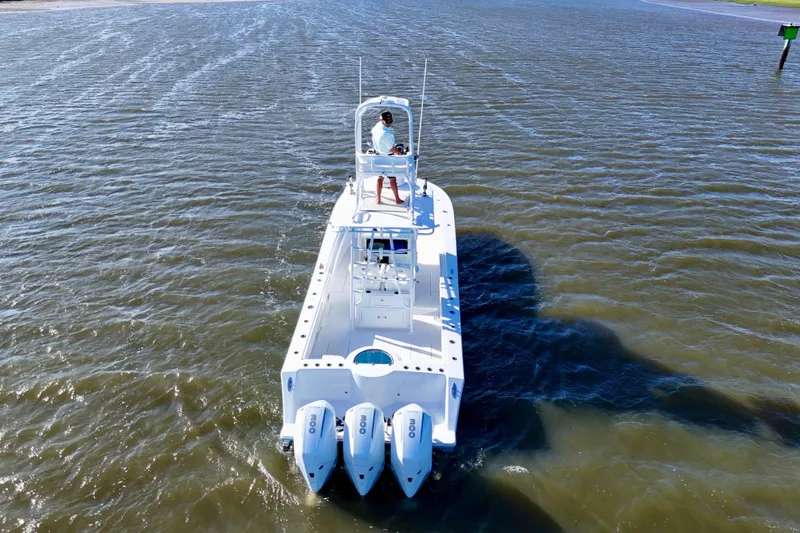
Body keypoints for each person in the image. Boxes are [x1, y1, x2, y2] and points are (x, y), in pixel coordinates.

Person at [371, 111, 405, 205]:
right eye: (388, 122)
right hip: (387, 159)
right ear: (382, 120)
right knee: (392, 179)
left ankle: (378, 199)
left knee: (380, 178)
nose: (389, 123)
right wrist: (399, 153)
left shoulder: (377, 126)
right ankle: (397, 199)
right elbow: (391, 148)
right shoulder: (386, 134)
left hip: (378, 157)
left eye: (390, 121)